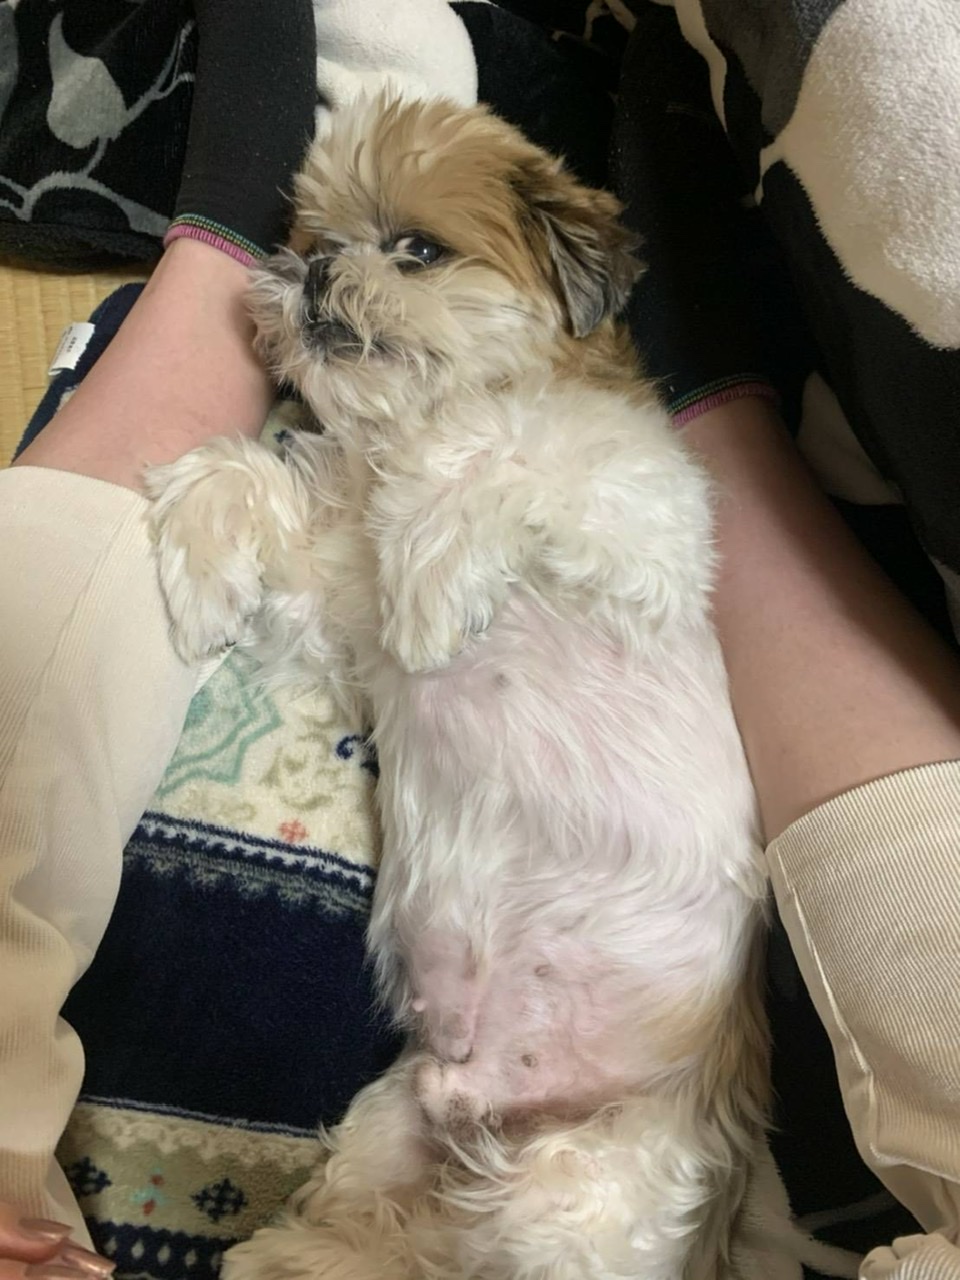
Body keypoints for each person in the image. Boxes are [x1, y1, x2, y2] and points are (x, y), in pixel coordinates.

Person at [1, 3, 959, 1280]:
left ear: (563, 282)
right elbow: (352, 605)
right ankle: (709, 368)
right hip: (614, 1063)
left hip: (536, 1068)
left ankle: (223, 236)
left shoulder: (589, 457)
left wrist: (373, 498)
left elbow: (618, 543)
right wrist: (256, 502)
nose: (329, 281)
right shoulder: (547, 467)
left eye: (416, 249)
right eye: (307, 256)